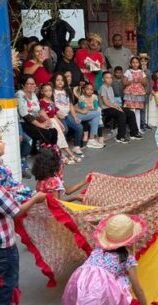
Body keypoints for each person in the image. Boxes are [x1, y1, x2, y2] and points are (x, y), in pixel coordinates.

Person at [62, 214, 149, 305]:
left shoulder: (98, 249)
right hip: (100, 290)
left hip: (80, 281)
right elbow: (137, 288)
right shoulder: (127, 258)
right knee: (122, 281)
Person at [0, 141, 46, 303]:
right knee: (7, 285)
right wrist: (35, 199)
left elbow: (12, 188)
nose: (3, 143)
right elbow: (15, 211)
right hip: (3, 248)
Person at [39, 83, 80, 164]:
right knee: (57, 140)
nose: (48, 92)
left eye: (50, 90)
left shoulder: (51, 101)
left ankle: (70, 155)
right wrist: (49, 122)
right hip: (49, 123)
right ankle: (63, 157)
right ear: (42, 92)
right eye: (46, 91)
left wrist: (60, 124)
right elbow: (42, 114)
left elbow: (54, 114)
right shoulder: (41, 102)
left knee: (62, 139)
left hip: (55, 121)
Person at [99, 71, 143, 143]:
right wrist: (117, 107)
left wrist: (118, 106)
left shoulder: (110, 87)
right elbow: (105, 102)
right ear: (103, 79)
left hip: (112, 107)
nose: (109, 79)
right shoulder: (103, 87)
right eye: (107, 78)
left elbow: (112, 101)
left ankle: (134, 133)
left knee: (130, 112)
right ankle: (120, 137)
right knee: (121, 114)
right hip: (106, 109)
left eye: (110, 78)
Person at [16, 75, 58, 148]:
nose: (32, 86)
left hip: (36, 120)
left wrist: (47, 120)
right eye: (29, 84)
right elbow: (25, 115)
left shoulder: (33, 94)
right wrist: (40, 125)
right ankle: (47, 154)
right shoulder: (20, 94)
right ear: (23, 85)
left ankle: (53, 151)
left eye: (33, 84)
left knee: (54, 131)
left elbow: (40, 109)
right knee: (46, 133)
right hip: (25, 123)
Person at [52, 73, 84, 157]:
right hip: (58, 116)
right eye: (57, 80)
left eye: (62, 80)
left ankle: (76, 146)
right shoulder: (52, 91)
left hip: (67, 114)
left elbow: (70, 105)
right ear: (54, 81)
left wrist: (75, 117)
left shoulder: (67, 90)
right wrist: (57, 114)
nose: (60, 82)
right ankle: (62, 149)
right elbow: (51, 105)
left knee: (79, 127)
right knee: (64, 130)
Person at [74, 83, 104, 149]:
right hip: (82, 114)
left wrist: (88, 108)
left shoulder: (94, 97)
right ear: (84, 90)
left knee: (96, 115)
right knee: (97, 114)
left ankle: (92, 139)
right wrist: (90, 108)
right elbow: (83, 107)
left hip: (90, 114)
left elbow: (95, 107)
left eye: (91, 89)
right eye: (87, 89)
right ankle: (92, 139)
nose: (90, 91)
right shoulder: (81, 97)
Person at [123, 56, 147, 132]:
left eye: (136, 62)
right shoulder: (128, 71)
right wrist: (131, 81)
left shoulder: (141, 72)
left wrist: (141, 80)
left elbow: (145, 83)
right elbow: (124, 82)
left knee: (137, 110)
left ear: (139, 63)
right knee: (131, 110)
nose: (135, 64)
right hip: (130, 92)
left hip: (139, 93)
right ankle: (132, 128)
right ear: (131, 63)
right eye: (133, 62)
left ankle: (138, 128)